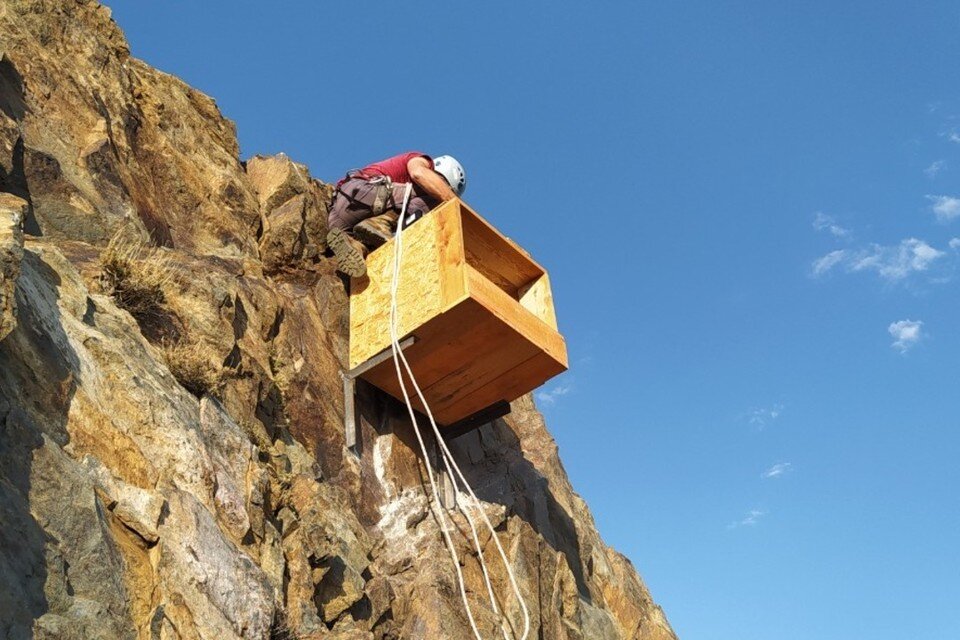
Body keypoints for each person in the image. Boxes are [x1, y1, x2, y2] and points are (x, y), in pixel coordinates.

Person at [326, 152, 467, 277]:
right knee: (435, 200)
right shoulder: (420, 160)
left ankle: (356, 246)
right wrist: (454, 204)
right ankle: (381, 223)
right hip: (365, 193)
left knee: (366, 243)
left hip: (339, 216)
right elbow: (418, 174)